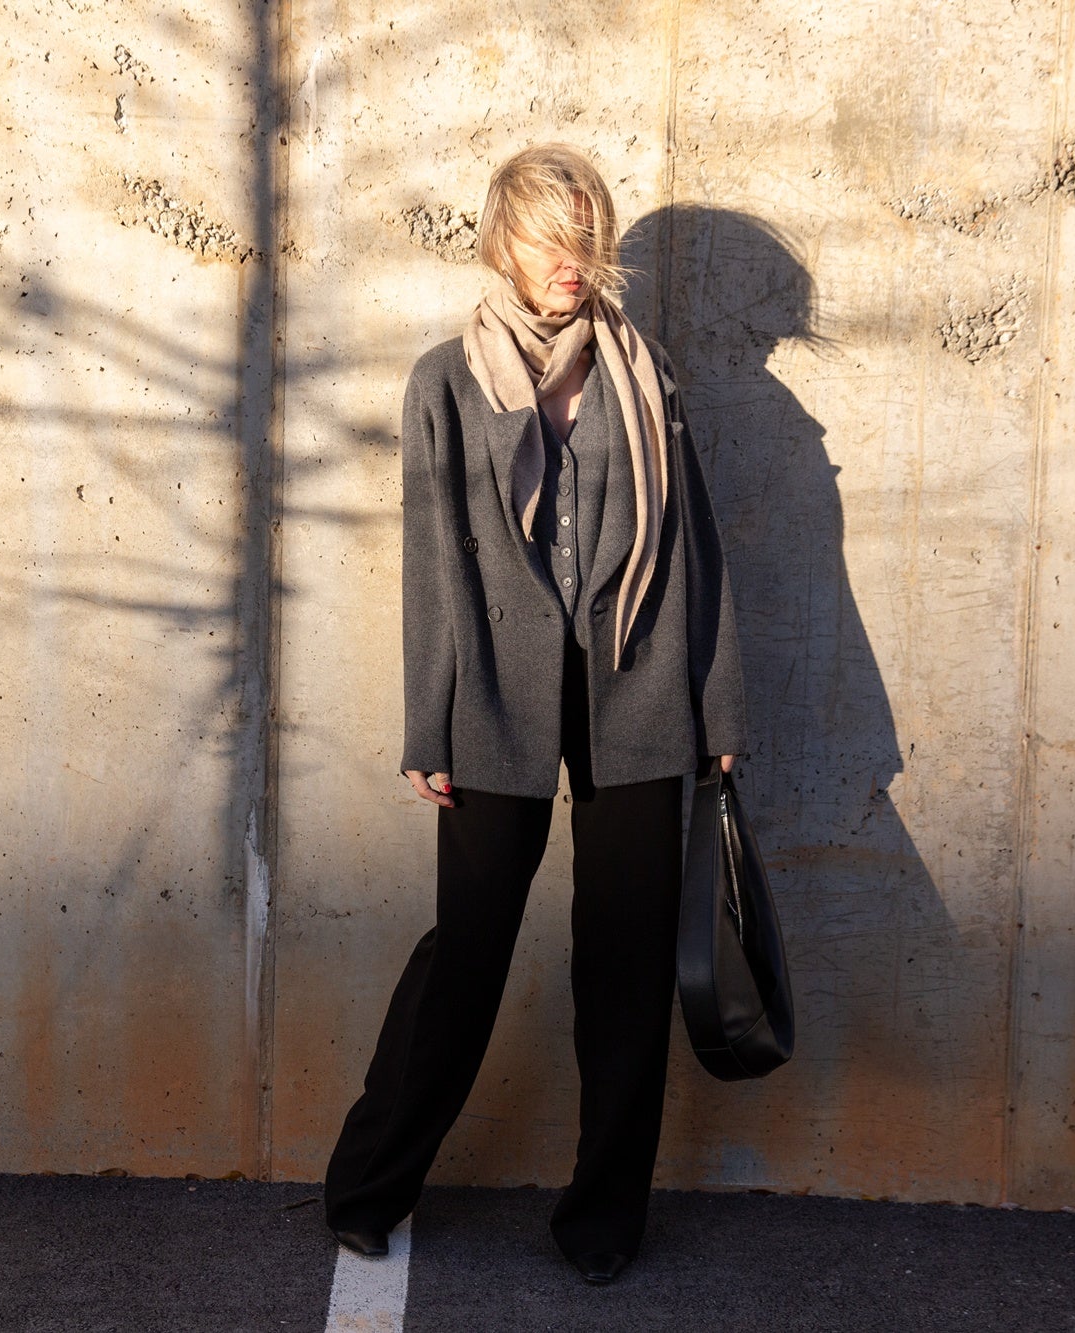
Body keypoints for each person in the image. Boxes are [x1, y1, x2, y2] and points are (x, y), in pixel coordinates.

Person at [321, 143, 747, 1287]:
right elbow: (431, 566)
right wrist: (428, 725)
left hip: (634, 688)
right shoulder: (443, 381)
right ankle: (367, 1183)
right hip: (496, 697)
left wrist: (716, 706)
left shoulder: (641, 370)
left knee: (626, 960)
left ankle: (602, 1216)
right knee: (466, 949)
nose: (570, 260)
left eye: (585, 236)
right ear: (501, 242)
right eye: (547, 238)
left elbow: (693, 548)